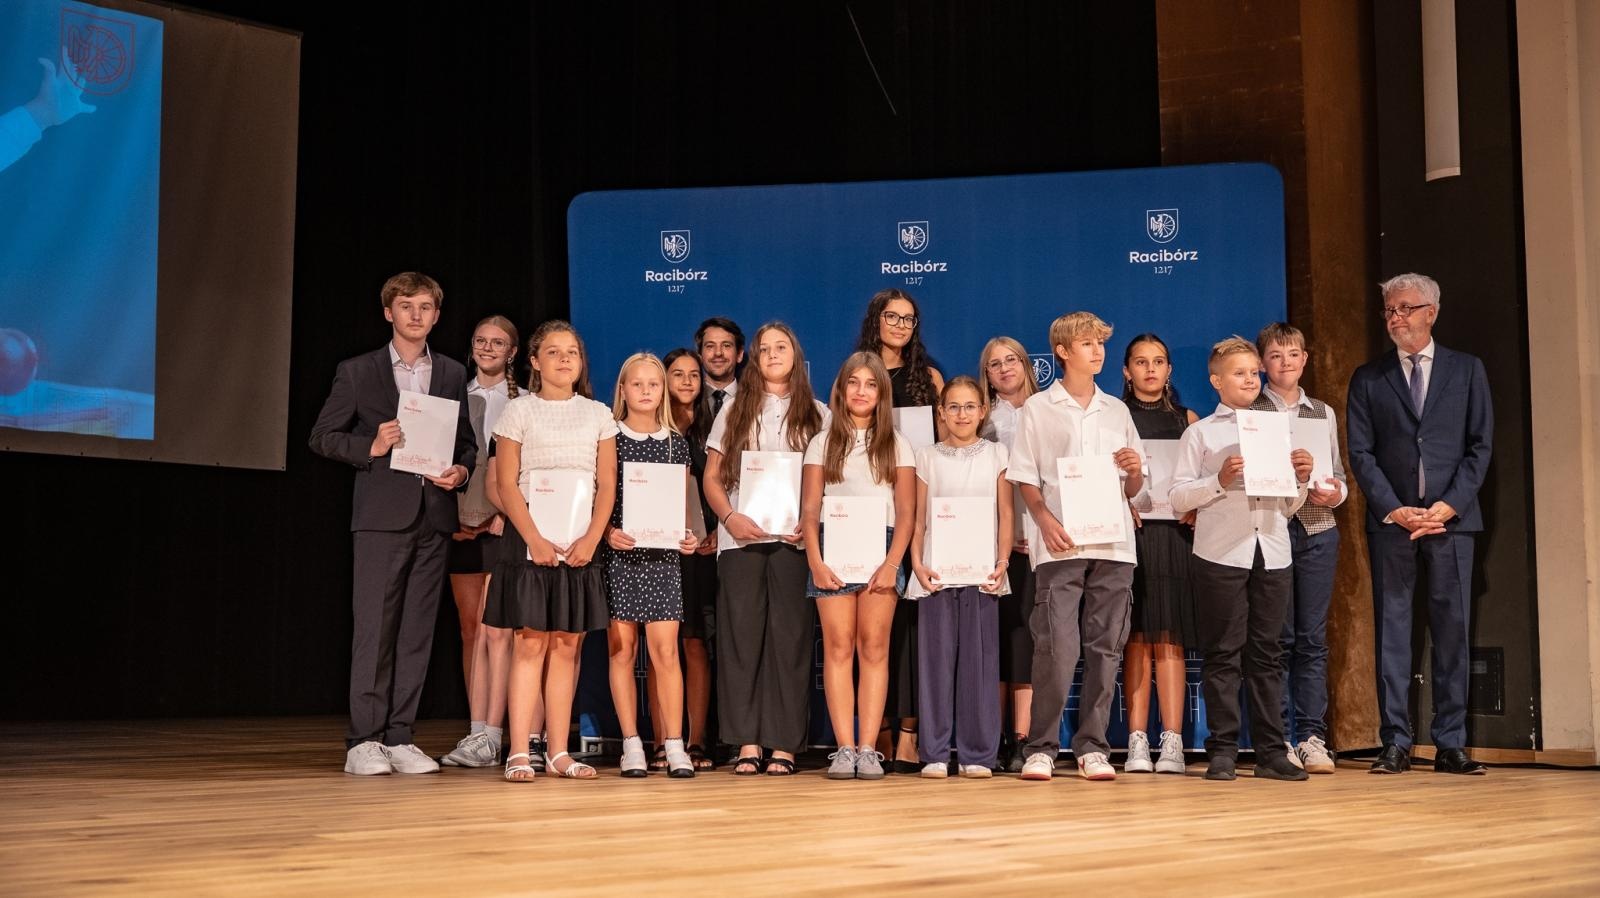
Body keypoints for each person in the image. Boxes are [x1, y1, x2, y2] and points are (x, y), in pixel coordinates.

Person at [308, 271, 475, 776]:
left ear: (437, 315)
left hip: (434, 516)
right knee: (374, 629)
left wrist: (462, 470)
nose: (416, 315)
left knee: (417, 631)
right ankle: (364, 739)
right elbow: (323, 436)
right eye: (406, 306)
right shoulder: (358, 371)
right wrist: (371, 446)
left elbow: (465, 441)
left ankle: (401, 736)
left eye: (425, 306)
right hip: (382, 518)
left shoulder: (449, 371)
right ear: (389, 313)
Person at [1346, 273, 1493, 776]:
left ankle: (1451, 743)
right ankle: (1396, 742)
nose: (1395, 318)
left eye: (1405, 308)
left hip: (1452, 523)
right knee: (1394, 633)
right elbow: (1361, 453)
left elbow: (1480, 447)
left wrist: (1448, 505)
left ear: (1431, 311)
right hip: (1394, 524)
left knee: (1452, 633)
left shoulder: (1467, 370)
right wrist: (1394, 507)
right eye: (1389, 309)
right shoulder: (1369, 378)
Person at [1008, 311, 1147, 782]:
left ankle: (1093, 747)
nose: (1098, 351)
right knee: (1057, 647)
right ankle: (1041, 746)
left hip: (1113, 543)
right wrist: (1043, 520)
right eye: (1087, 344)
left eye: (1101, 343)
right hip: (1061, 541)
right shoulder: (1038, 408)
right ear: (1063, 352)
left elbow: (1134, 490)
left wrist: (1135, 471)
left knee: (1105, 647)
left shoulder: (1117, 411)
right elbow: (1025, 475)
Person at [1170, 336, 1313, 783]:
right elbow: (1176, 498)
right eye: (1239, 373)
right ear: (1216, 381)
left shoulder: (1281, 430)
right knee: (1223, 654)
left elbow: (1289, 506)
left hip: (1271, 549)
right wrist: (1218, 479)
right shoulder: (1201, 433)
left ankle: (1272, 752)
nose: (1250, 379)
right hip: (1219, 553)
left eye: (1254, 371)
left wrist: (1302, 481)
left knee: (1268, 654)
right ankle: (1224, 751)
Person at [486, 319, 617, 781]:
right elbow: (505, 482)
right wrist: (535, 539)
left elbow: (606, 487)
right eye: (555, 352)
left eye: (573, 352)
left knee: (566, 647)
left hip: (580, 549)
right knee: (529, 645)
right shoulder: (518, 412)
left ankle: (560, 751)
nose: (565, 360)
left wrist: (590, 540)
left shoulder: (599, 414)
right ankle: (520, 750)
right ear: (535, 362)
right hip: (530, 546)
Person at [702, 322, 829, 776]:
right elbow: (712, 477)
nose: (773, 355)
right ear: (753, 359)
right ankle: (747, 742)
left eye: (781, 347)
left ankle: (785, 743)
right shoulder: (735, 410)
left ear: (795, 354)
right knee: (741, 640)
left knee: (790, 641)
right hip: (740, 541)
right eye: (764, 349)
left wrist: (810, 523)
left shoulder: (818, 413)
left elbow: (828, 483)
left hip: (794, 544)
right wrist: (729, 517)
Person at [802, 352, 916, 780]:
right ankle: (843, 748)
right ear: (841, 389)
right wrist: (814, 559)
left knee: (874, 648)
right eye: (854, 383)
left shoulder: (898, 444)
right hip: (833, 548)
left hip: (881, 551)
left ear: (881, 393)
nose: (861, 391)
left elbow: (906, 512)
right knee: (837, 647)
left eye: (871, 384)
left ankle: (869, 748)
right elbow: (810, 509)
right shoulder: (822, 441)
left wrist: (893, 564)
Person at [1251, 322, 1347, 774]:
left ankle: (1311, 735)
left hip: (1318, 529)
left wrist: (1334, 493)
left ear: (1305, 358)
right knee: (1276, 639)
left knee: (1311, 639)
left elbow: (1339, 475)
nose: (1285, 362)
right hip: (1270, 529)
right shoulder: (1250, 409)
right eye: (1275, 355)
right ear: (1262, 362)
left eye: (1293, 354)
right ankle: (1279, 736)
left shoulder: (1321, 412)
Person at [855, 288, 944, 771]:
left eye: (908, 319)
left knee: (909, 631)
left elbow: (943, 443)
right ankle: (877, 733)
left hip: (917, 508)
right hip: (865, 515)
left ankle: (909, 732)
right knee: (870, 634)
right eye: (891, 317)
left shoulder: (927, 378)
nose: (900, 325)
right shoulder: (859, 376)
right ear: (876, 320)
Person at [908, 376, 1013, 779]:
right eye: (953, 406)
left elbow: (1006, 514)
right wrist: (917, 562)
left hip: (983, 571)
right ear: (941, 412)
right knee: (935, 663)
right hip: (937, 570)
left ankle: (978, 753)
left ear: (983, 411)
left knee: (980, 663)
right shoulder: (926, 456)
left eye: (970, 406)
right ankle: (934, 750)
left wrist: (1002, 560)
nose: (962, 414)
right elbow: (918, 519)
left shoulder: (997, 454)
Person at [603, 353, 701, 778]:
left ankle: (675, 743)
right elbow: (598, 499)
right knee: (622, 650)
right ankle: (631, 744)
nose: (645, 391)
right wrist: (607, 532)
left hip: (662, 560)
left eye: (653, 384)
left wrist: (688, 536)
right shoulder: (609, 439)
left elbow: (680, 510)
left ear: (663, 391)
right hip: (620, 556)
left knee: (666, 652)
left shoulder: (676, 443)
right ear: (622, 390)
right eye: (637, 384)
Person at [440, 316, 520, 768]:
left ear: (512, 352)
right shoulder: (452, 395)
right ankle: (476, 732)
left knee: (503, 630)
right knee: (471, 627)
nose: (488, 348)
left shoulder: (524, 400)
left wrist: (505, 516)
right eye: (481, 341)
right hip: (460, 525)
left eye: (498, 343)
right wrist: (450, 518)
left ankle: (505, 729)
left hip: (504, 526)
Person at [1119, 333, 1199, 775]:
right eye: (1141, 362)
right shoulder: (1115, 418)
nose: (1151, 369)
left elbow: (1198, 480)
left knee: (1170, 638)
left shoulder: (1188, 419)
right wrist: (1120, 502)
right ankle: (1136, 740)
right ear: (1127, 371)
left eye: (1159, 361)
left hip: (1175, 539)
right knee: (1135, 638)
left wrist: (1196, 508)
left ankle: (1172, 741)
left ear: (1169, 370)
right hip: (1129, 537)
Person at [648, 347, 718, 771]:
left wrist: (714, 532)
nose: (688, 381)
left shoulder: (715, 425)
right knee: (662, 647)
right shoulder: (653, 429)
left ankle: (695, 741)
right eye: (678, 374)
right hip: (658, 549)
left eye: (695, 374)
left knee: (694, 643)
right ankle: (660, 741)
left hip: (703, 549)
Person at [978, 336, 1039, 772]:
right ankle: (995, 736)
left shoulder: (1048, 410)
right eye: (994, 364)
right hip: (994, 546)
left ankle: (1024, 738)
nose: (1004, 369)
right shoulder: (982, 422)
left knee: (1029, 644)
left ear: (1026, 364)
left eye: (1011, 360)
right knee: (997, 643)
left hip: (1044, 543)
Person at [696, 317, 745, 418]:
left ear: (739, 354)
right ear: (699, 355)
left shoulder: (755, 401)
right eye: (710, 346)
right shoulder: (688, 399)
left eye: (726, 345)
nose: (718, 353)